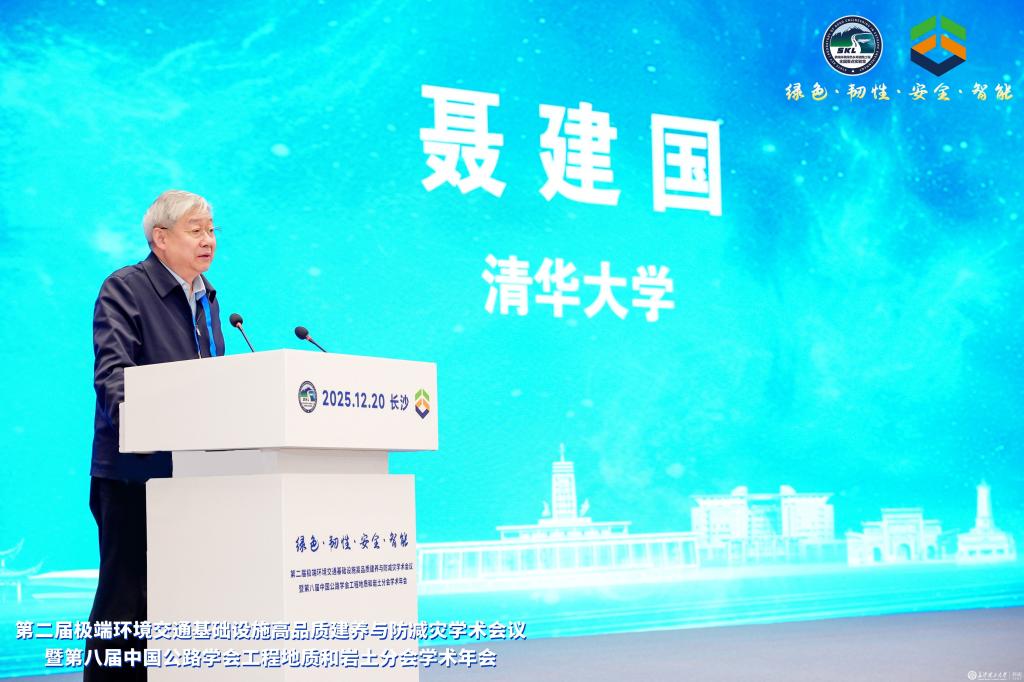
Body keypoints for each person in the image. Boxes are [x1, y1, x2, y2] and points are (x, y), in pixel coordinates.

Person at [86, 190, 225, 680]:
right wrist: (148, 425)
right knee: (125, 606)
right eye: (196, 230)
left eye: (212, 230)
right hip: (134, 474)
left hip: (193, 476)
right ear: (160, 238)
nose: (208, 240)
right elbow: (114, 377)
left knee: (181, 601)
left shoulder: (207, 298)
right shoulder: (125, 288)